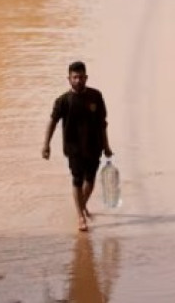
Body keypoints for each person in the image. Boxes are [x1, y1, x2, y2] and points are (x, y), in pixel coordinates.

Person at [42, 60, 112, 232]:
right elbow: (52, 122)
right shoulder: (63, 101)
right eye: (75, 77)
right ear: (69, 79)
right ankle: (81, 216)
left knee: (91, 180)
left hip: (94, 146)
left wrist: (107, 146)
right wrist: (46, 145)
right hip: (73, 148)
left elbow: (103, 123)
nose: (78, 80)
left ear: (86, 77)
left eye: (81, 77)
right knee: (77, 181)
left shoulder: (96, 96)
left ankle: (81, 205)